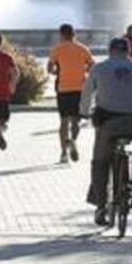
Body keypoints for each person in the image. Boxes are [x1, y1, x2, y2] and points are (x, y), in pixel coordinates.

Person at [81, 36, 132, 226]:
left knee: (100, 163)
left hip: (109, 123)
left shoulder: (99, 68)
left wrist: (84, 112)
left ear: (110, 51)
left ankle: (101, 206)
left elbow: (87, 93)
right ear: (128, 51)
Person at [47, 23, 95, 163]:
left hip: (63, 89)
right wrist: (83, 71)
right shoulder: (83, 49)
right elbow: (92, 65)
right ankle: (73, 140)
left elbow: (49, 68)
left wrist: (56, 72)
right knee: (75, 121)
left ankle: (63, 153)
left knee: (63, 122)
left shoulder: (57, 49)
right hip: (79, 89)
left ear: (62, 35)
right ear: (74, 34)